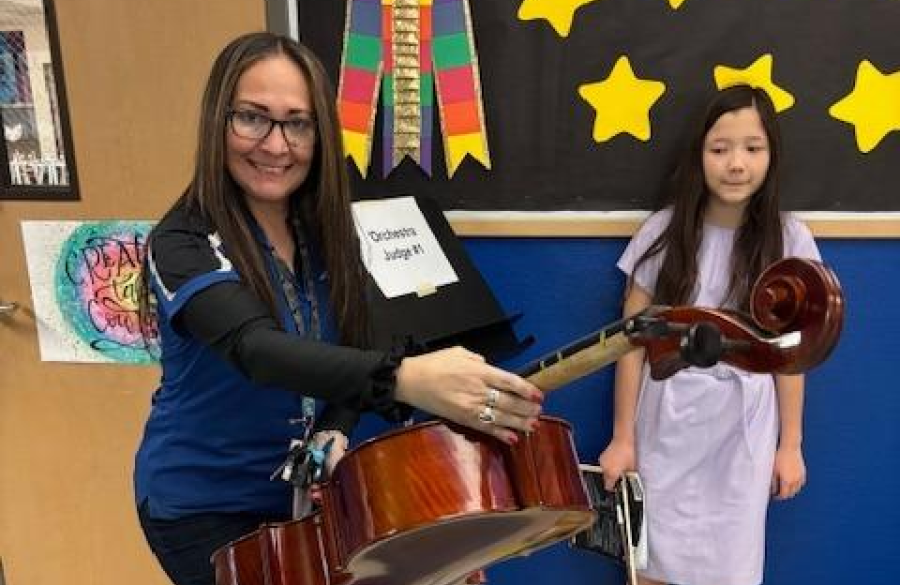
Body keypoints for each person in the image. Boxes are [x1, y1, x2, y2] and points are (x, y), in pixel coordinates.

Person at [133, 31, 542, 585]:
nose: (276, 146)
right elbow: (258, 351)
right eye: (253, 118)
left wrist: (339, 422)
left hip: (308, 493)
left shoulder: (325, 228)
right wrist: (406, 379)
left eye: (298, 124)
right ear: (217, 122)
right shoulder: (182, 242)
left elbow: (357, 343)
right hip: (206, 507)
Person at [597, 85, 820, 585]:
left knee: (731, 565)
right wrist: (622, 438)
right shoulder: (661, 232)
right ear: (698, 155)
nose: (736, 164)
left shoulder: (790, 239)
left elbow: (791, 354)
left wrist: (791, 444)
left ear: (771, 155)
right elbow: (629, 344)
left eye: (752, 148)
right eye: (720, 149)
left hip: (743, 426)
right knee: (653, 557)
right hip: (668, 415)